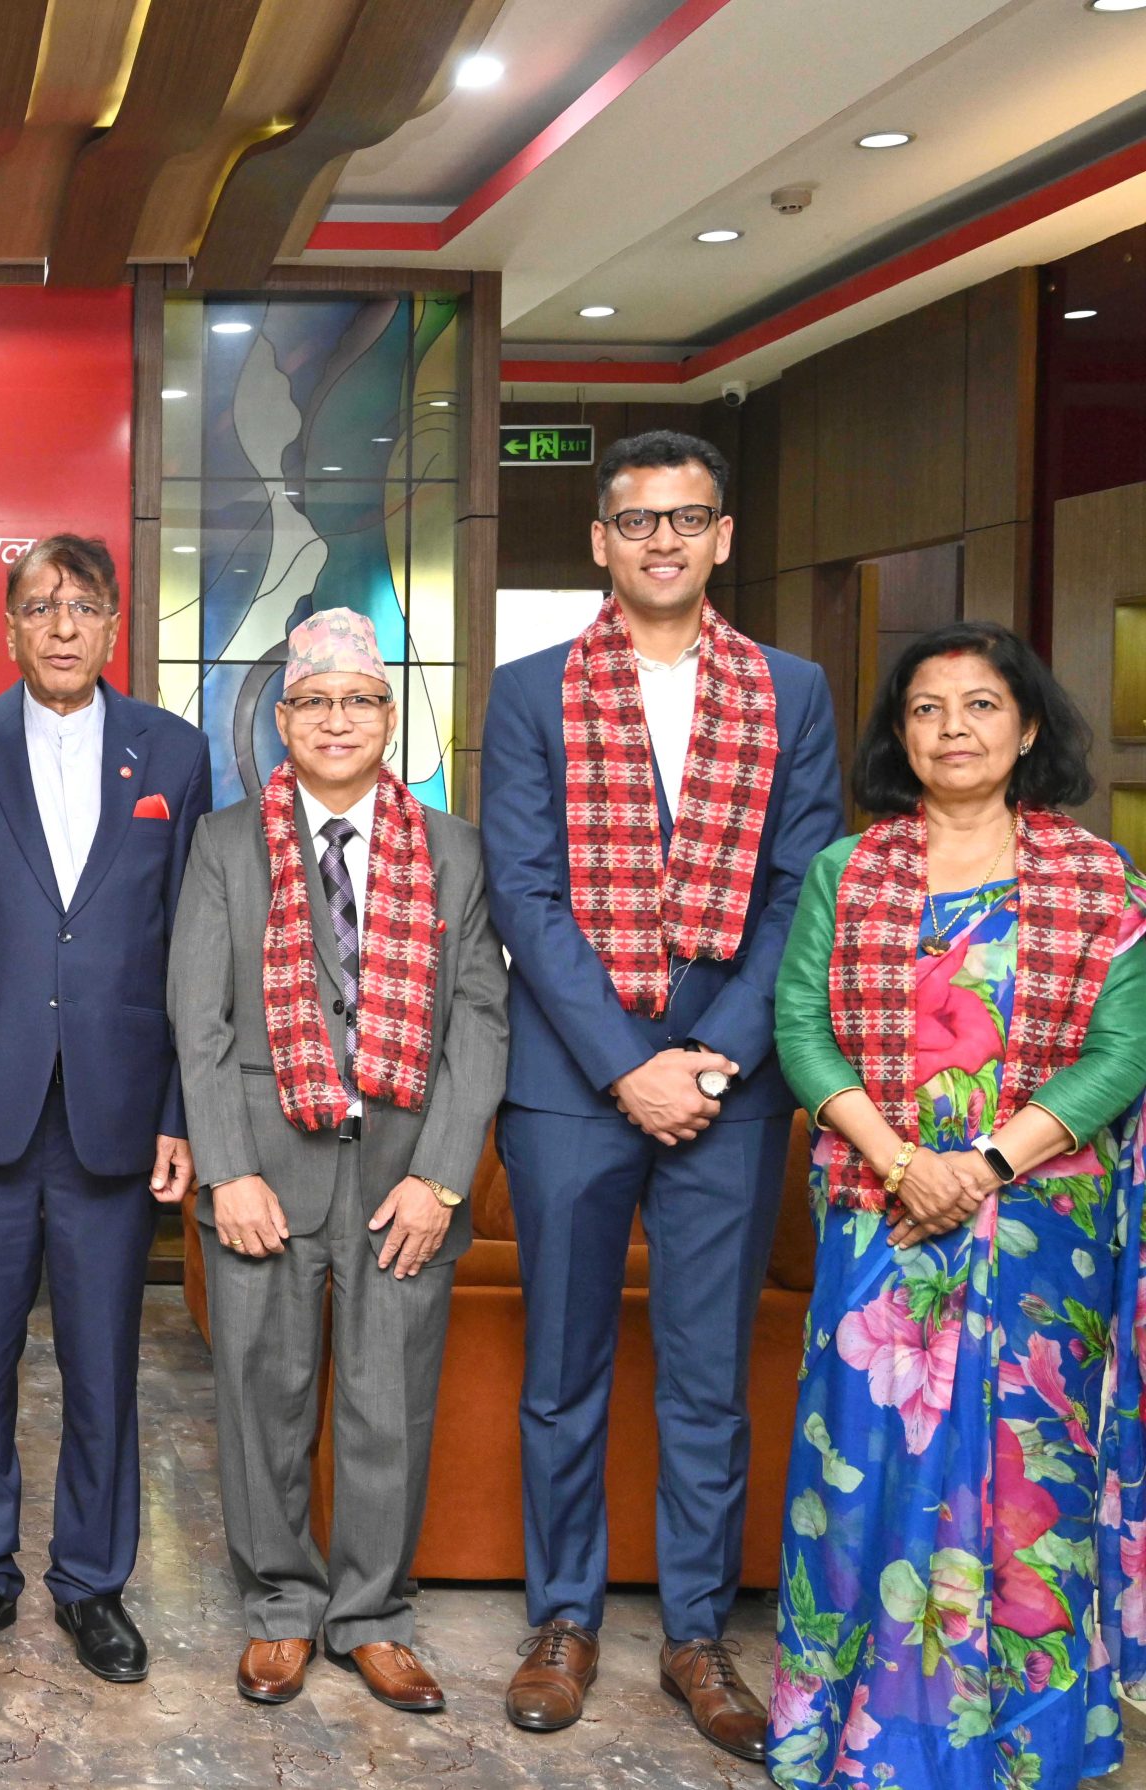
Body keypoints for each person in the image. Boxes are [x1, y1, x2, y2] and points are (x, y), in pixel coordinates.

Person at [480, 430, 841, 1760]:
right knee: (563, 1376)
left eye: (687, 518)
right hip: (573, 1085)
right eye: (637, 520)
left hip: (728, 1090)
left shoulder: (791, 690)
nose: (663, 540)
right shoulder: (530, 691)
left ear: (722, 536)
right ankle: (562, 1619)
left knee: (705, 1382)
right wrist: (626, 1061)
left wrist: (714, 1054)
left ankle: (696, 1634)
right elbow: (522, 889)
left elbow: (802, 888)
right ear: (601, 541)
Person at [767, 623, 1146, 1789]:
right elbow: (800, 1030)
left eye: (980, 705)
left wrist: (979, 1165)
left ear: (1026, 728)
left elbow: (1122, 1049)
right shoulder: (847, 871)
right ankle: (854, 1736)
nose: (952, 729)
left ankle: (1023, 1742)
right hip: (877, 1208)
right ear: (900, 735)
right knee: (863, 1462)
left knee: (1030, 1474)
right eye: (926, 708)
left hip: (1039, 1221)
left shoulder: (1100, 877)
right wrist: (900, 1161)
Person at [167, 607, 508, 1711]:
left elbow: (480, 1020)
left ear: (388, 716)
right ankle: (279, 1609)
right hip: (264, 1172)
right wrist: (228, 1170)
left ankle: (372, 1616)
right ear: (282, 720)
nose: (336, 720)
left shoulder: (454, 849)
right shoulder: (225, 843)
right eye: (313, 701)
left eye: (358, 700)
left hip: (404, 1176)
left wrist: (441, 1175)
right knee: (260, 1398)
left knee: (388, 1407)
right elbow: (198, 1021)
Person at [0, 533, 209, 1683]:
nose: (63, 625)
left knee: (102, 1367)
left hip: (113, 1115)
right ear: (9, 627)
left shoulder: (172, 753)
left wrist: (176, 1108)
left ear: (113, 622)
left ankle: (91, 1581)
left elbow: (188, 950)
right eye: (40, 606)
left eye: (83, 605)